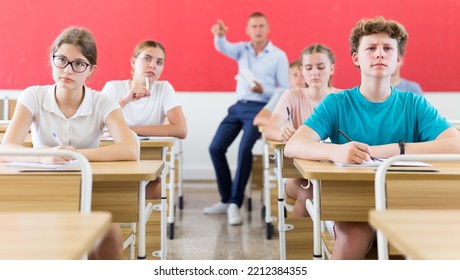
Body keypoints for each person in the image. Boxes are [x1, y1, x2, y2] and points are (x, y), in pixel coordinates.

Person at [284, 16, 460, 259]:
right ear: (356, 57)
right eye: (371, 48)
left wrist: (388, 151)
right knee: (354, 236)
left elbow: (455, 145)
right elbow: (293, 145)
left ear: (398, 59)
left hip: (403, 202)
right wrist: (335, 151)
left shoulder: (414, 104)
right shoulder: (337, 103)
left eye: (388, 49)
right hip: (349, 203)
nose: (380, 54)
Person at [0, 27, 139, 259]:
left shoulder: (103, 102)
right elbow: (5, 149)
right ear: (52, 59)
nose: (68, 70)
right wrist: (43, 154)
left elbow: (130, 149)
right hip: (41, 193)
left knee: (111, 238)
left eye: (78, 64)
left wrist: (76, 155)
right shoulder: (33, 96)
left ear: (91, 70)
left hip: (90, 191)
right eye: (62, 60)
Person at [204, 12, 289, 225]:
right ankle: (226, 200)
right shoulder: (242, 49)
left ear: (267, 29)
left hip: (260, 108)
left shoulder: (278, 55)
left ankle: (235, 203)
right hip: (238, 107)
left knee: (244, 149)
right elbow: (223, 47)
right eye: (254, 26)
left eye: (261, 26)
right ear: (248, 30)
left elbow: (285, 89)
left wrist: (264, 89)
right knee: (215, 148)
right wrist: (220, 36)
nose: (258, 30)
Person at [101, 40, 187, 199]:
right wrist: (124, 101)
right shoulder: (113, 88)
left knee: (154, 186)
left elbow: (180, 130)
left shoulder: (164, 88)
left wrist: (132, 131)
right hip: (115, 159)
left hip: (149, 159)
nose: (153, 65)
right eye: (147, 59)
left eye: (159, 62)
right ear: (133, 62)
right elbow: (98, 125)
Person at [264, 44, 339, 218]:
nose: (314, 72)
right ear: (303, 71)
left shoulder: (340, 98)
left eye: (320, 67)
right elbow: (270, 128)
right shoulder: (292, 96)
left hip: (332, 170)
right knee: (308, 193)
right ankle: (300, 244)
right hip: (297, 174)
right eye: (308, 68)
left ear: (331, 69)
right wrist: (281, 134)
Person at [253, 60, 305, 127]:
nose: (299, 79)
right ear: (289, 77)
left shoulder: (313, 95)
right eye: (295, 75)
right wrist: (285, 125)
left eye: (303, 75)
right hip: (282, 133)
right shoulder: (281, 94)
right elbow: (258, 119)